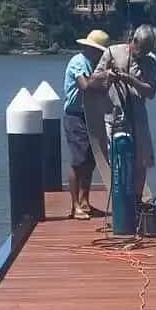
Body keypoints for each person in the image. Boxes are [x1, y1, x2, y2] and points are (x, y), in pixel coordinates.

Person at [97, 25, 156, 206]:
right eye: (140, 50)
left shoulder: (150, 62)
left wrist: (130, 80)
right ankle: (120, 205)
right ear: (133, 41)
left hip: (138, 118)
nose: (141, 55)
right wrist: (107, 76)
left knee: (141, 162)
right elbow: (94, 81)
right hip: (115, 118)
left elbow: (151, 92)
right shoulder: (112, 52)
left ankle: (137, 202)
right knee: (117, 162)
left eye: (147, 52)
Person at [61, 29, 113, 219]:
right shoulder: (78, 62)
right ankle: (75, 206)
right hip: (75, 116)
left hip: (91, 114)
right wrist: (104, 76)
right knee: (79, 160)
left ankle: (85, 202)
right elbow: (86, 86)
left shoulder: (96, 64)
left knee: (91, 160)